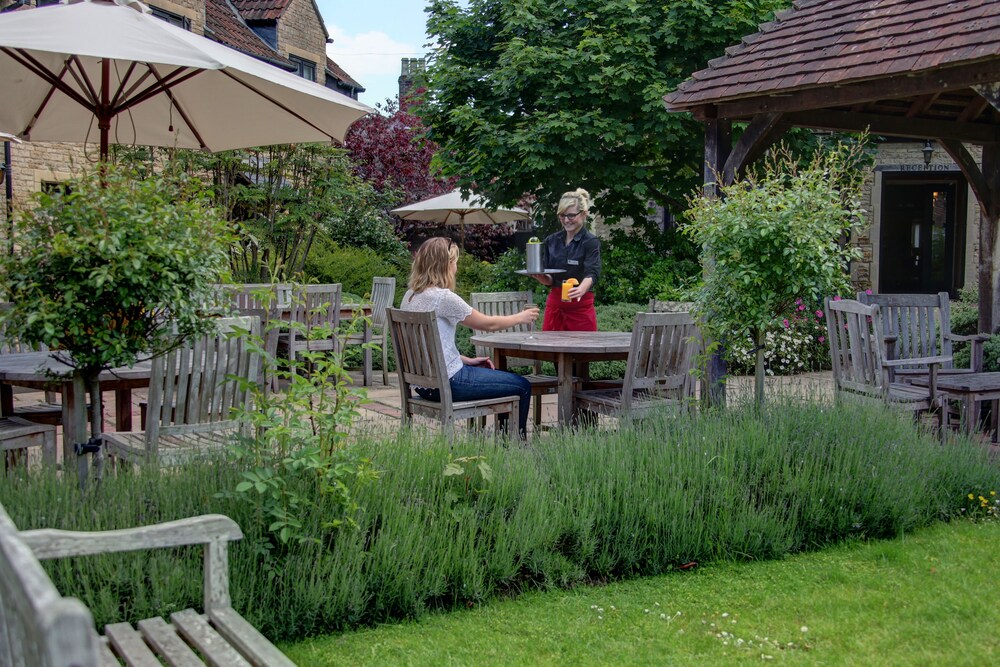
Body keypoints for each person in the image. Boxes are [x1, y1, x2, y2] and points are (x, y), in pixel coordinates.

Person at [401, 237, 539, 440]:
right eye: (455, 261)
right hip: (450, 382)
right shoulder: (443, 298)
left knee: (505, 380)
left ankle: (505, 445)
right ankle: (513, 449)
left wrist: (465, 360)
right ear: (445, 265)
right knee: (521, 385)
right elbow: (487, 324)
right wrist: (521, 317)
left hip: (424, 387)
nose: (456, 267)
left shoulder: (410, 296)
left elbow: (427, 345)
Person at [529, 188, 602, 331]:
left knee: (582, 352)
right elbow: (550, 278)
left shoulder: (590, 242)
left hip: (580, 308)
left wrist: (581, 288)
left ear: (584, 214)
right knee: (551, 352)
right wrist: (541, 278)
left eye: (571, 215)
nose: (566, 220)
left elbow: (592, 273)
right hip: (555, 307)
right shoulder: (551, 241)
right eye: (562, 215)